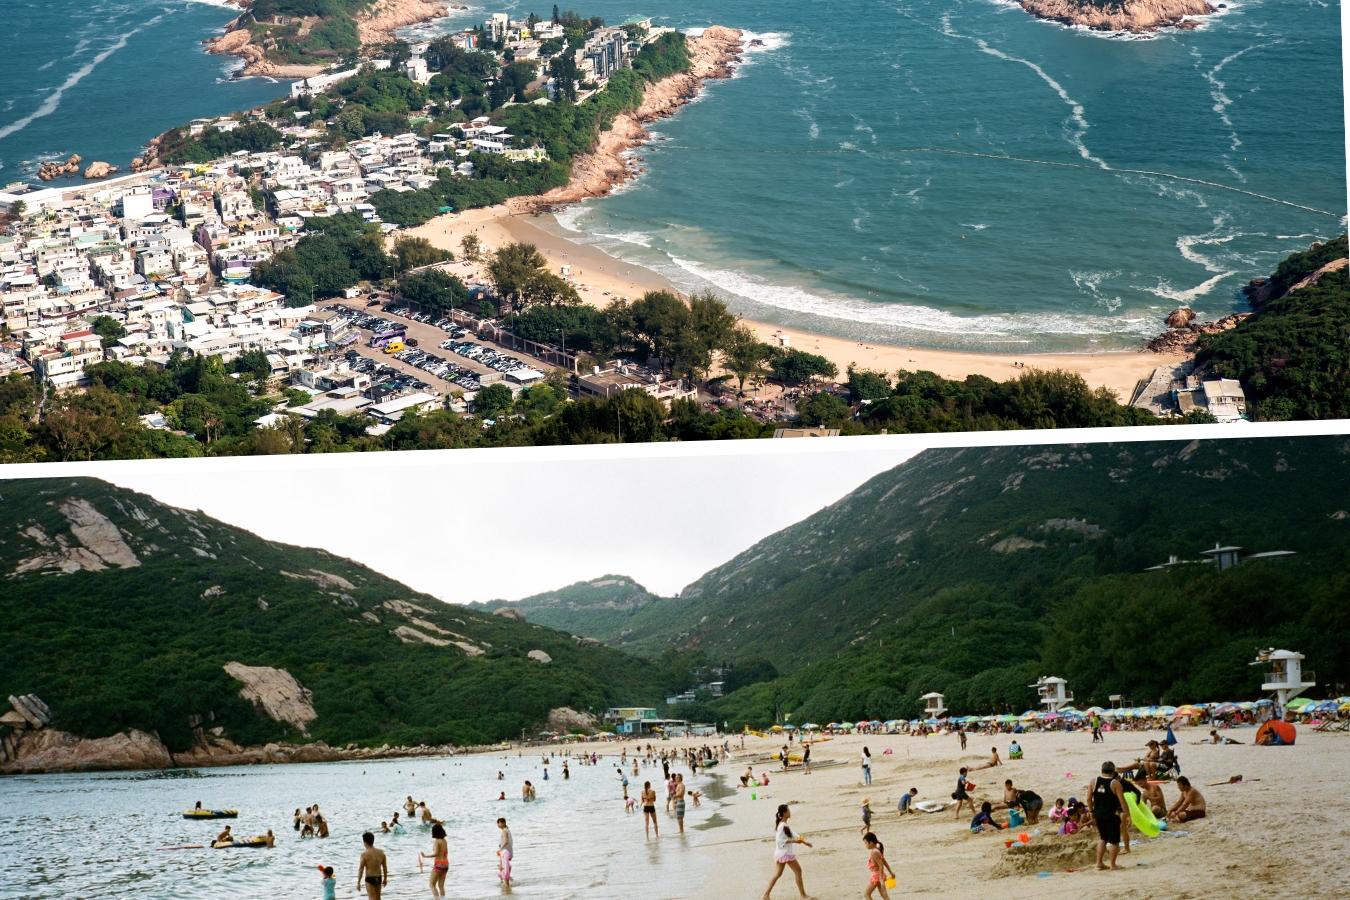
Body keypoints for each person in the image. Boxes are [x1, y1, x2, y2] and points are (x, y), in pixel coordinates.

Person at [763, 804, 812, 900]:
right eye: (788, 810)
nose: (790, 812)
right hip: (784, 853)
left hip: (781, 853)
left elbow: (795, 834)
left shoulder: (784, 825)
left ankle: (766, 895)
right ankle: (803, 895)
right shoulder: (782, 826)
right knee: (798, 871)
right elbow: (779, 841)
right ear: (784, 813)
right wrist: (794, 841)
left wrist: (804, 842)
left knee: (777, 874)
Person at [1088, 762, 1126, 871]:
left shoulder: (1093, 781)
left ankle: (1099, 862)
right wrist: (1127, 815)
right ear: (1114, 772)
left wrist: (1091, 811)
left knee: (1103, 838)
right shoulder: (1115, 784)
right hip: (1111, 814)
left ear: (1101, 770)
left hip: (1098, 814)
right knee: (1114, 840)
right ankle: (1113, 865)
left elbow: (1088, 799)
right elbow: (1122, 802)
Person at [862, 832, 896, 900]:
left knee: (866, 894)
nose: (865, 845)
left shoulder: (874, 853)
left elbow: (881, 865)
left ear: (871, 842)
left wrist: (881, 880)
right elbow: (884, 862)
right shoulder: (878, 850)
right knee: (884, 895)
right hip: (879, 875)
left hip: (876, 876)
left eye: (866, 843)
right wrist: (890, 872)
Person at [419, 823, 449, 896]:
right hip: (446, 863)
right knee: (441, 886)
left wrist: (425, 856)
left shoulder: (437, 841)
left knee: (432, 884)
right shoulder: (444, 840)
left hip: (439, 864)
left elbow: (436, 853)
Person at [357, 832, 388, 900]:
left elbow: (361, 869)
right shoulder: (381, 853)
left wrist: (358, 882)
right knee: (378, 898)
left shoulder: (364, 854)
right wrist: (385, 878)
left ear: (365, 842)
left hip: (370, 878)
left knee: (371, 898)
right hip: (378, 877)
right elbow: (385, 867)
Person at [497, 818, 513, 887]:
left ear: (503, 823)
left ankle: (506, 883)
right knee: (504, 866)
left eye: (499, 823)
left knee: (502, 866)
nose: (498, 825)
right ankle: (505, 881)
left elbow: (506, 841)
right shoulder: (507, 830)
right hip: (508, 851)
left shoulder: (504, 831)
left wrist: (500, 849)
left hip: (504, 851)